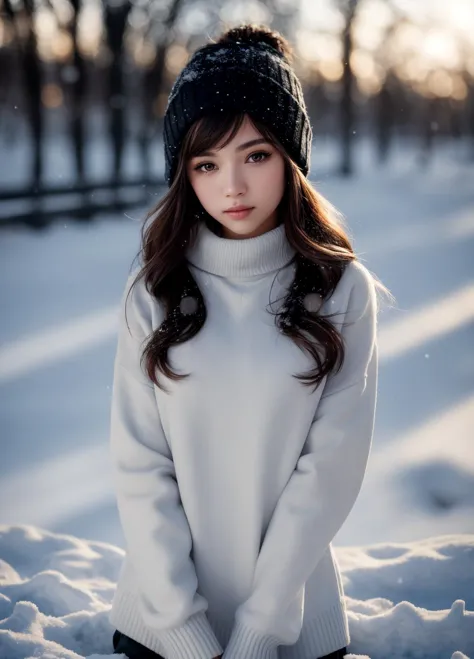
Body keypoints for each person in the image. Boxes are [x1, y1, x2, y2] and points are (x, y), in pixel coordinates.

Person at [108, 23, 387, 659]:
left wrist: (260, 632)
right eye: (206, 164)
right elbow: (140, 469)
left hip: (295, 631)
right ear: (186, 174)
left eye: (255, 155)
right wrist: (184, 633)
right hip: (161, 626)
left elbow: (328, 476)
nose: (231, 186)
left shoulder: (341, 289)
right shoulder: (152, 291)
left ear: (291, 159)